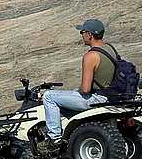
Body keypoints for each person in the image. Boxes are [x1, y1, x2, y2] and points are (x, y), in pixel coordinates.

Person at [41, 18, 117, 147]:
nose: (82, 36)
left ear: (89, 34)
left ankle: (54, 138)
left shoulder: (91, 56)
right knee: (72, 94)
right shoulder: (111, 49)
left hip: (97, 98)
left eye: (82, 32)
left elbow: (86, 89)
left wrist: (80, 89)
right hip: (112, 96)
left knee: (49, 96)